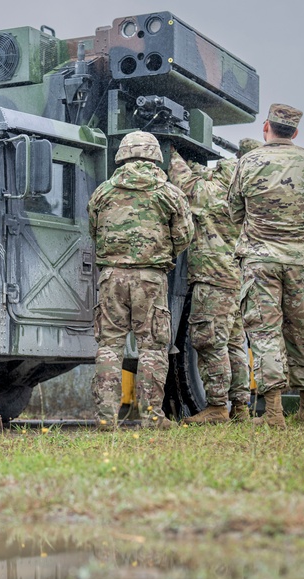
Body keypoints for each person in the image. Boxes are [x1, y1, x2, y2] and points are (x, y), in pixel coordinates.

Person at [228, 104, 304, 428]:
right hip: (300, 260)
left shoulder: (249, 162)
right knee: (302, 331)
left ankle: (273, 413)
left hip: (260, 261)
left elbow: (235, 212)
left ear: (266, 127)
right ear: (294, 132)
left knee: (266, 334)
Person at [88, 131, 193, 428]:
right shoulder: (169, 193)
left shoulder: (103, 192)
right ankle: (152, 417)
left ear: (122, 155)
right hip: (151, 278)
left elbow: (94, 231)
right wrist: (161, 251)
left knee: (109, 346)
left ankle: (107, 419)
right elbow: (184, 235)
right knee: (152, 347)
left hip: (111, 278)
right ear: (155, 156)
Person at [168, 138, 261, 424]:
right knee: (233, 343)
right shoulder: (249, 191)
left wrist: (169, 150)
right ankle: (241, 408)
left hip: (214, 276)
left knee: (208, 341)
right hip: (235, 277)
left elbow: (188, 186)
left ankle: (218, 407)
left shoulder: (219, 192)